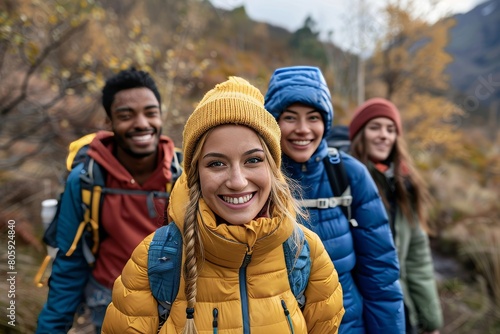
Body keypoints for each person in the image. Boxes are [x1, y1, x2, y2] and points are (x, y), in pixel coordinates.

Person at [102, 76, 345, 333]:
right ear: (195, 174)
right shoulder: (156, 258)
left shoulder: (304, 251)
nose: (238, 182)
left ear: (273, 168)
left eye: (253, 160)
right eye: (216, 163)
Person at [36, 68, 180, 333]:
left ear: (161, 115)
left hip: (172, 306)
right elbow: (70, 261)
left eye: (150, 112)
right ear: (109, 122)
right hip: (106, 303)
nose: (141, 123)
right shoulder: (86, 180)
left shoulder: (183, 177)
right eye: (126, 115)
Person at [264, 66, 404, 334]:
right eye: (290, 118)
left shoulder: (350, 175)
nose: (303, 130)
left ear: (325, 122)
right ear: (273, 121)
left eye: (313, 118)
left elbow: (380, 277)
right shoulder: (257, 179)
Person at [349, 97, 443, 334]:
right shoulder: (345, 181)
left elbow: (417, 257)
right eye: (375, 127)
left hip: (400, 308)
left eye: (390, 129)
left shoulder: (405, 186)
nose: (384, 135)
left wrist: (430, 320)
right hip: (358, 309)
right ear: (359, 134)